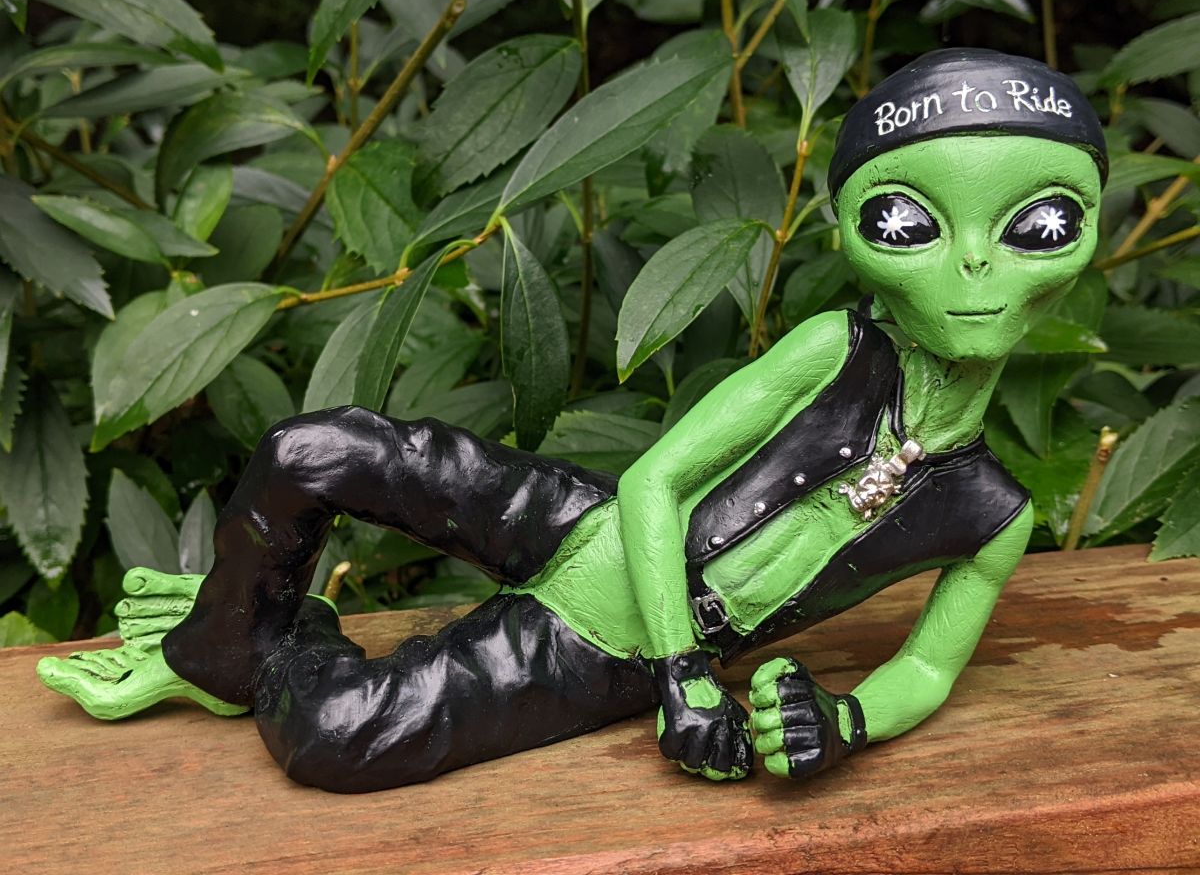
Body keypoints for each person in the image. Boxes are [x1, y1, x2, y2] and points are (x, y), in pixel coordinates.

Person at [38, 48, 1108, 793]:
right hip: (591, 524)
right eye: (908, 222)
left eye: (1040, 225)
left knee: (338, 737)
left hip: (604, 644)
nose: (976, 264)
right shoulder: (835, 348)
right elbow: (654, 483)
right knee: (311, 450)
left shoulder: (991, 512)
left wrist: (842, 722)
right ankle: (224, 648)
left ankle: (282, 636)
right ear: (854, 230)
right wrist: (690, 677)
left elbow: (927, 671)